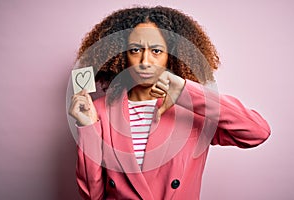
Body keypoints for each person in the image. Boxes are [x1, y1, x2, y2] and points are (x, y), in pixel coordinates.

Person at [68, 6, 270, 200]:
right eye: (135, 49)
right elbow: (92, 195)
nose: (145, 61)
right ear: (122, 56)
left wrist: (186, 91)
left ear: (171, 57)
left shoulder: (194, 111)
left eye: (156, 51)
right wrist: (88, 128)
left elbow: (257, 132)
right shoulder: (101, 112)